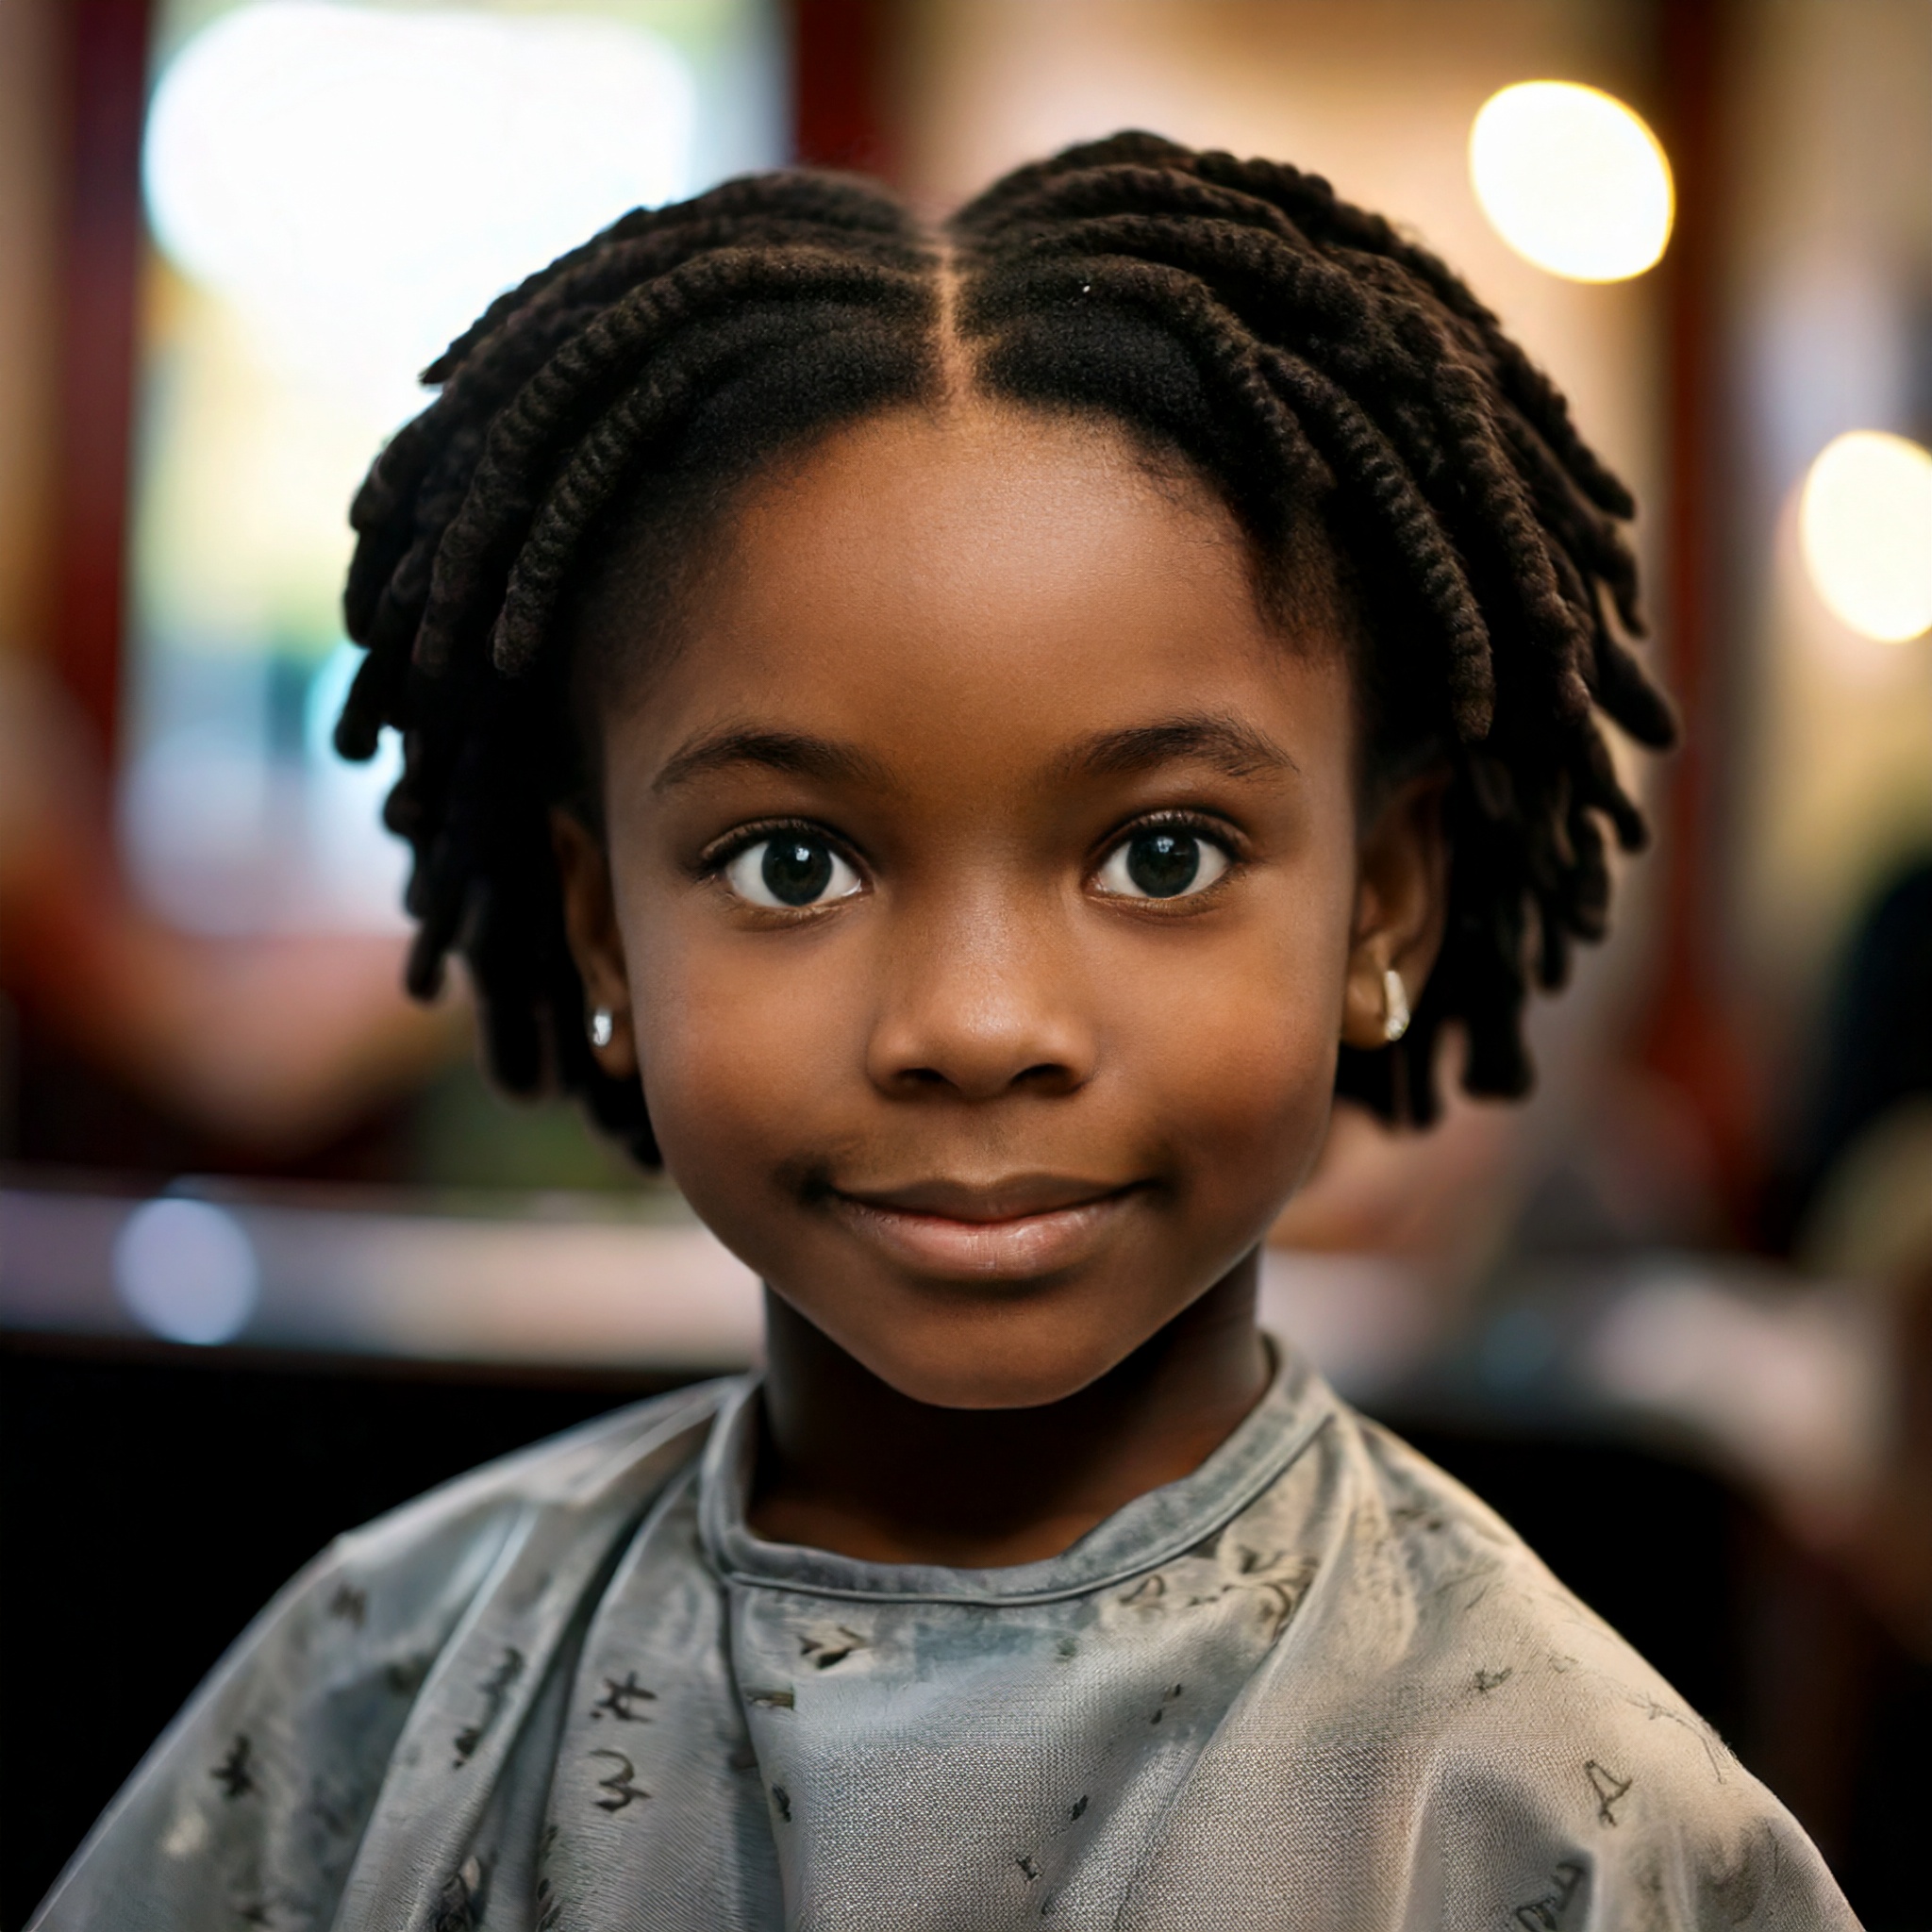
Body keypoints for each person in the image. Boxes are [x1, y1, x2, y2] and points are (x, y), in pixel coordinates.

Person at [30, 136, 1856, 1928]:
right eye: (793, 861)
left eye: (1163, 852)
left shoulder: (1568, 1819)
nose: (978, 1027)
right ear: (605, 926)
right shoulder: (377, 1692)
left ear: (1380, 901)